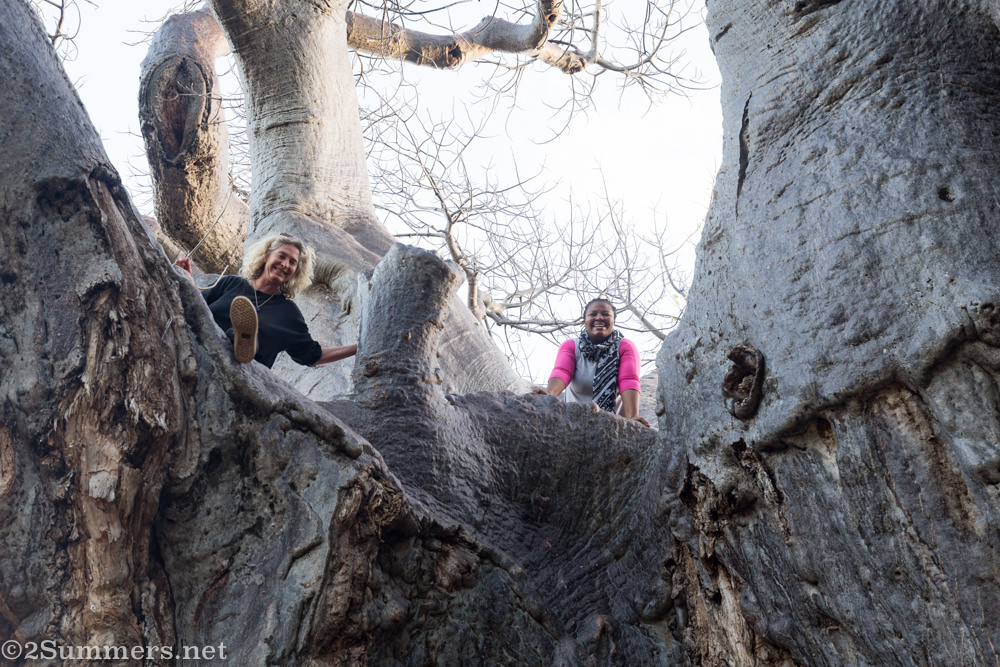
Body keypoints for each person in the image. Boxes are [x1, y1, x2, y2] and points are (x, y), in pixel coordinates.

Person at [174, 233, 356, 368]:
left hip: (238, 373)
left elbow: (313, 355)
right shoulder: (231, 284)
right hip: (198, 352)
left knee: (238, 341)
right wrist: (187, 279)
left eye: (293, 262)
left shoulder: (288, 314)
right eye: (282, 256)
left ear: (296, 272)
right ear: (267, 255)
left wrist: (357, 347)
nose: (285, 264)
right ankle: (236, 337)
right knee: (226, 332)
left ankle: (244, 345)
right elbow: (194, 306)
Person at [533, 298, 651, 427]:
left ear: (613, 321)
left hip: (615, 427)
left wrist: (633, 417)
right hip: (573, 425)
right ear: (585, 321)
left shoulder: (625, 347)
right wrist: (549, 395)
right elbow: (562, 372)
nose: (599, 318)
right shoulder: (571, 346)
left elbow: (628, 380)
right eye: (593, 314)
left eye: (605, 314)